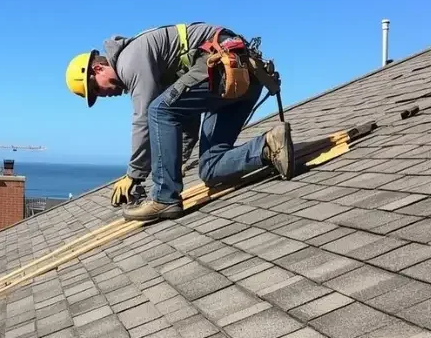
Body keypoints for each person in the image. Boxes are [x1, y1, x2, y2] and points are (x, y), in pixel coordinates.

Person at [65, 22, 294, 222]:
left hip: (223, 64)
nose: (103, 95)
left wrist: (133, 175)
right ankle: (268, 146)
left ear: (98, 68)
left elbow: (145, 116)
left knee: (157, 109)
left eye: (96, 88)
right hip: (238, 78)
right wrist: (175, 166)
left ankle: (165, 198)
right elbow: (185, 119)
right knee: (210, 168)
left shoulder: (129, 61)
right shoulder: (155, 69)